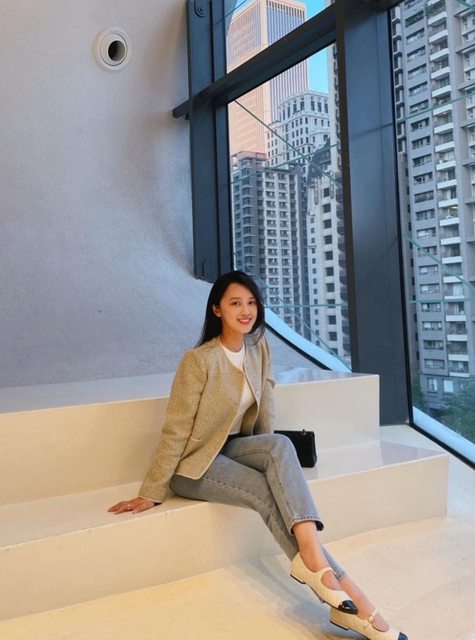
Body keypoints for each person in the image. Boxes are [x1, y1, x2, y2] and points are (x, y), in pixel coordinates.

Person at [109, 270, 408, 640]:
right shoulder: (198, 360)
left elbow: (266, 409)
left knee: (280, 446)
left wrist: (271, 463)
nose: (246, 310)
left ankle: (317, 566)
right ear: (217, 309)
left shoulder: (258, 349)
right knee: (264, 494)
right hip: (194, 465)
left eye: (251, 302)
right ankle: (352, 599)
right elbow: (177, 428)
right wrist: (151, 491)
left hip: (234, 447)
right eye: (235, 303)